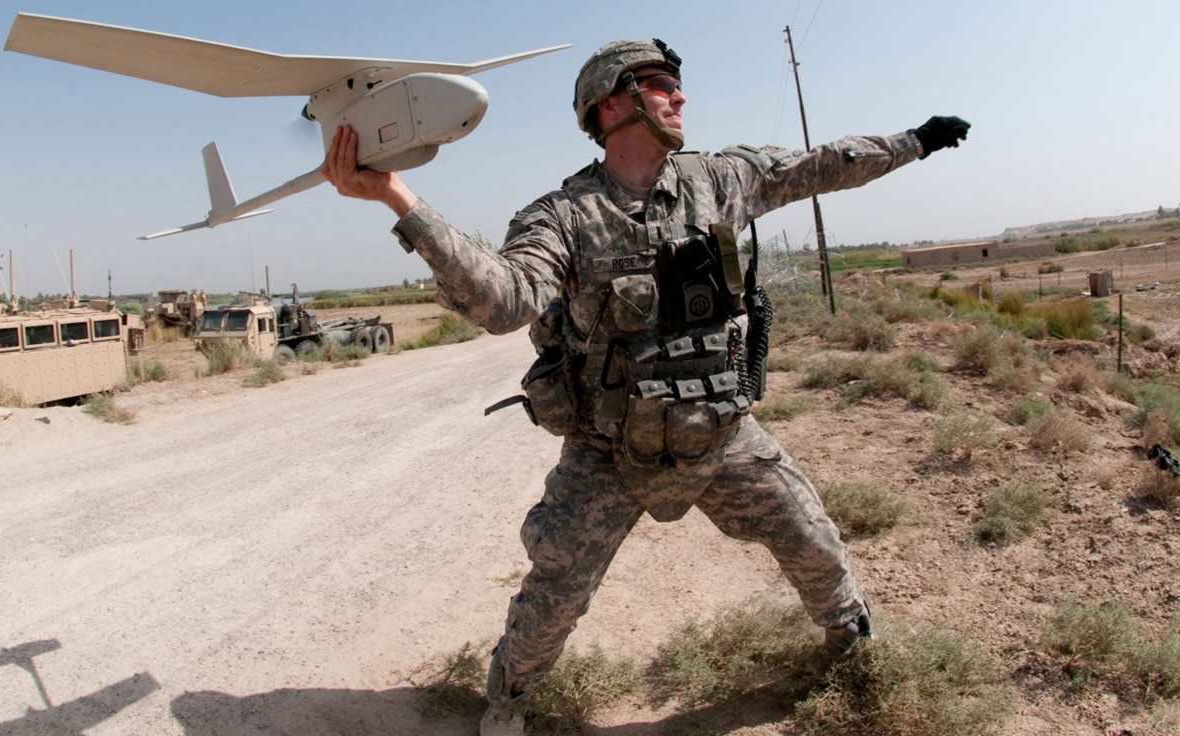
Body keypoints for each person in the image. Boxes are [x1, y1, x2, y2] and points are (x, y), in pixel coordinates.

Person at [322, 38, 969, 736]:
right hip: (608, 449)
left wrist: (914, 142)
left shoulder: (720, 179)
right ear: (610, 103)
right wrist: (397, 197)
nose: (680, 96)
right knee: (554, 594)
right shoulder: (563, 217)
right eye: (660, 84)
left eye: (677, 85)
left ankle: (854, 654)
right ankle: (507, 703)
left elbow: (820, 167)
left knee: (813, 540)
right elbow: (503, 301)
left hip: (720, 430)